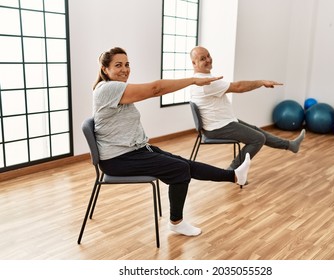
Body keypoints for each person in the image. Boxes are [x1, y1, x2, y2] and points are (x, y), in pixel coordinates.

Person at [92, 47, 251, 237]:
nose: (125, 69)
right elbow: (155, 89)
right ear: (104, 70)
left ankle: (234, 176)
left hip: (134, 150)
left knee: (184, 164)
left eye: (127, 64)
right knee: (179, 170)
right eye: (118, 65)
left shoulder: (116, 89)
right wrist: (193, 80)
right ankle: (176, 222)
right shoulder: (108, 89)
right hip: (118, 159)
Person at [190, 46, 305, 170]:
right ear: (194, 63)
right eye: (203, 58)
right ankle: (232, 172)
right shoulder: (206, 83)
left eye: (208, 56)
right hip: (218, 127)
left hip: (223, 122)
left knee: (257, 131)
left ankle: (290, 145)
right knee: (258, 138)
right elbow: (239, 87)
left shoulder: (200, 80)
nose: (208, 60)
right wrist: (261, 82)